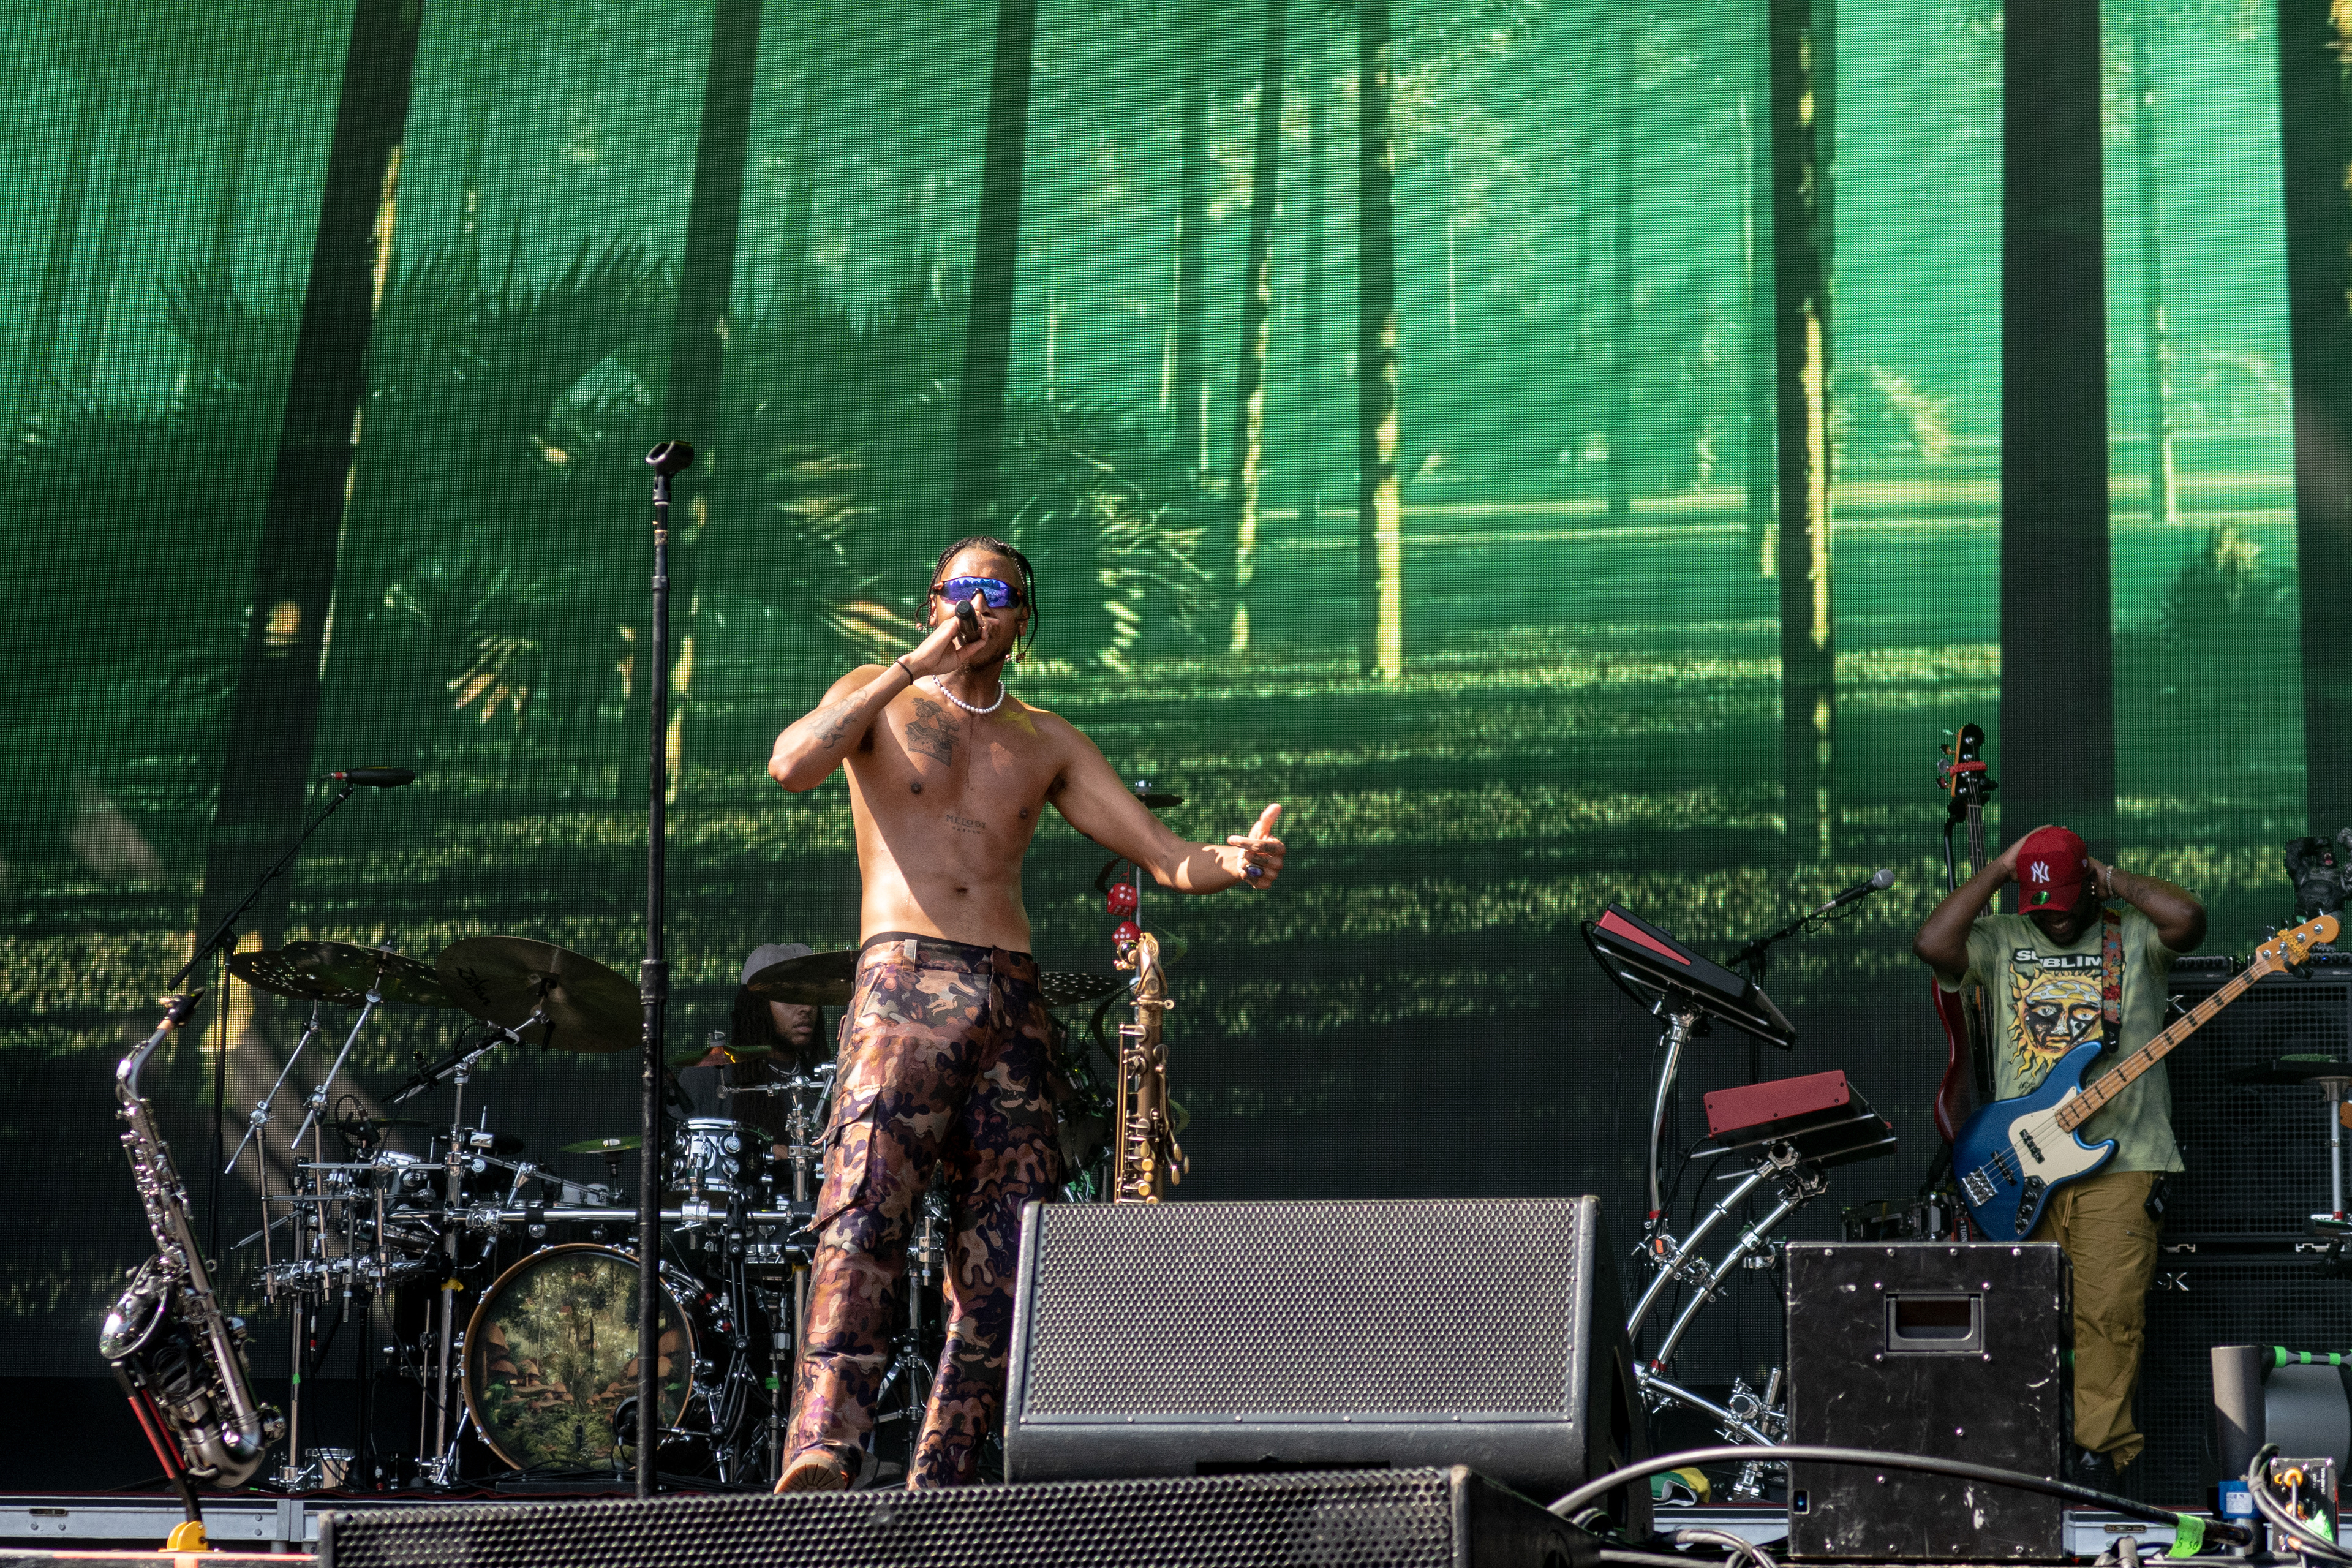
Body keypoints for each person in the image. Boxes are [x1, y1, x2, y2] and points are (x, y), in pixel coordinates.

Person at [764, 534, 1287, 1492]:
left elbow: (1168, 857)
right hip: (904, 981)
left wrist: (1235, 860)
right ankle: (826, 1447)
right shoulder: (878, 695)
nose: (976, 608)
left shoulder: (1046, 738)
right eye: (960, 591)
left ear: (1023, 617)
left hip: (1009, 996)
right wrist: (907, 670)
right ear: (931, 602)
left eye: (996, 593)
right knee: (865, 1214)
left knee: (1013, 1252)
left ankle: (950, 1477)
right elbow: (793, 764)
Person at [1912, 823, 2206, 1486]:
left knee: (2109, 1314)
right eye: (2038, 906)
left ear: (2088, 889)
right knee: (2020, 1314)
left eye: (2065, 903)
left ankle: (2098, 1461)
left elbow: (2187, 918)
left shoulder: (2130, 932)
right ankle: (2021, 1455)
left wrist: (2110, 878)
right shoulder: (1999, 939)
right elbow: (1932, 943)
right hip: (2018, 1158)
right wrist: (2002, 871)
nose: (2054, 918)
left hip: (2126, 1157)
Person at [672, 943, 831, 1146]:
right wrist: (766, 1154)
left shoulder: (828, 1079)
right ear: (758, 1007)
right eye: (789, 996)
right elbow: (678, 1153)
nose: (807, 1008)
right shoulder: (710, 1075)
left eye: (811, 996)